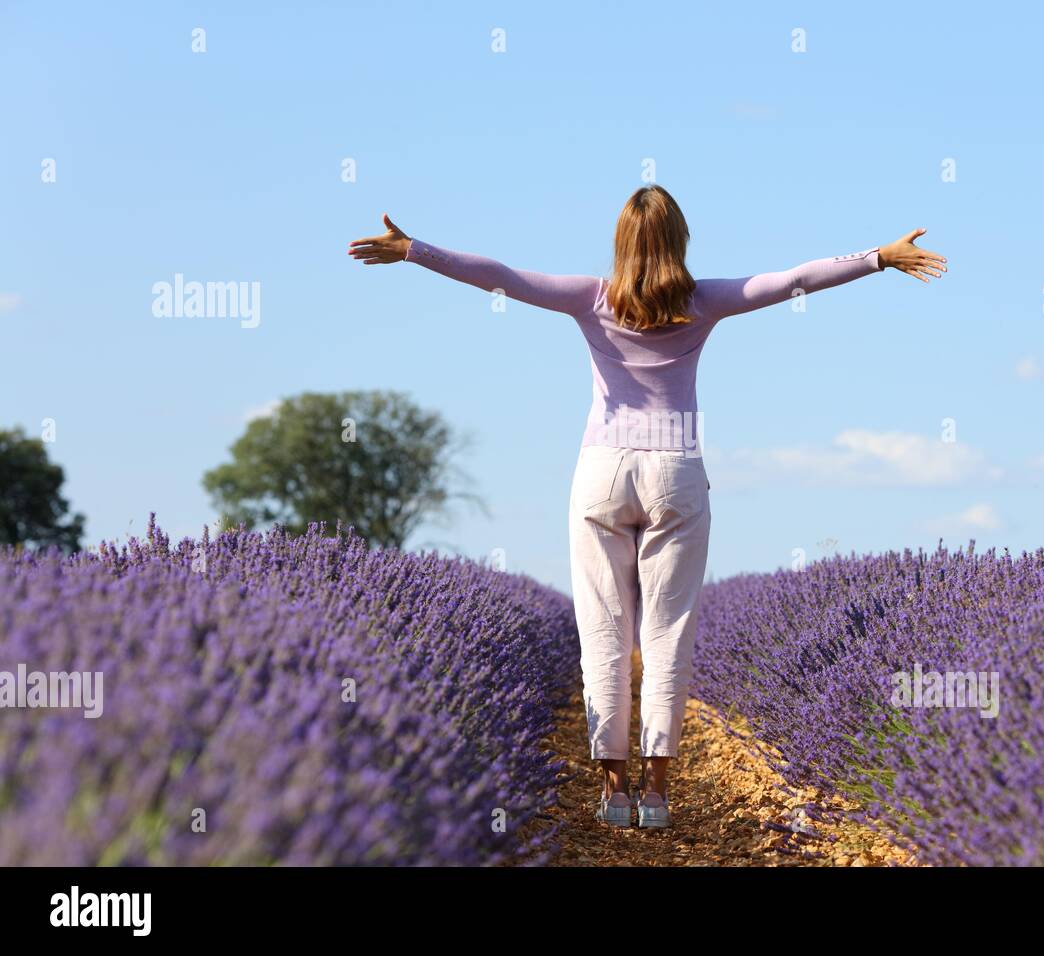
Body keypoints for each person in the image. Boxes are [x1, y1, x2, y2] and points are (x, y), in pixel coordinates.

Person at [348, 185, 946, 829]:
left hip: (602, 471)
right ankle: (657, 795)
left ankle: (613, 793)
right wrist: (878, 257)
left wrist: (414, 250)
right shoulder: (704, 300)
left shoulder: (589, 296)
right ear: (679, 241)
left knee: (602, 632)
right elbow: (793, 279)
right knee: (668, 633)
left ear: (621, 244)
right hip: (675, 472)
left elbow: (499, 276)